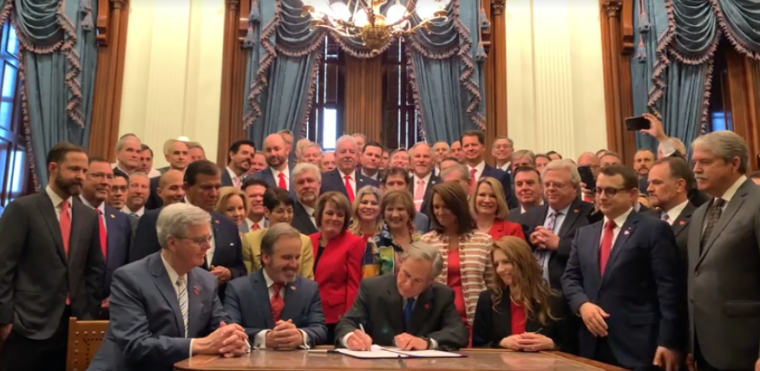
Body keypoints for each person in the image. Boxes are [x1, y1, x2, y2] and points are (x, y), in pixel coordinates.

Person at [86, 204, 249, 371]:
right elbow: (136, 345)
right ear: (172, 242)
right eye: (200, 240)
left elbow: (221, 325)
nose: (207, 246)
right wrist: (198, 345)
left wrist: (234, 339)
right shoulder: (130, 278)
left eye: (208, 239)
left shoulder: (206, 280)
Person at [561, 165, 681, 370]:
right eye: (599, 190)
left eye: (611, 191)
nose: (602, 197)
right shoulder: (585, 234)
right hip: (592, 343)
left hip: (638, 345)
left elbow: (668, 290)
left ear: (632, 194)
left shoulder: (653, 229)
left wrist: (668, 341)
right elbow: (570, 278)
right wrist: (582, 305)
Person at [0, 143, 103, 371]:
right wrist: (5, 319)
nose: (80, 176)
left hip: (73, 324)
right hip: (26, 324)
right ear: (53, 168)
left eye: (84, 171)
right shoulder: (23, 209)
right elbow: (3, 267)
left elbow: (95, 269)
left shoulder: (88, 216)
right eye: (74, 169)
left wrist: (88, 313)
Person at [687, 131, 760, 371]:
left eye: (705, 162)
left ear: (734, 163)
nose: (696, 169)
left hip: (745, 348)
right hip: (704, 349)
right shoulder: (700, 213)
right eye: (695, 162)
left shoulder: (756, 203)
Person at [130, 160, 246, 302]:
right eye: (206, 188)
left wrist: (229, 273)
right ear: (186, 187)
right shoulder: (157, 219)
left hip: (216, 307)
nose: (214, 193)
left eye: (217, 187)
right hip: (167, 305)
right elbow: (140, 270)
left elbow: (241, 269)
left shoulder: (228, 225)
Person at [336, 242, 469, 351]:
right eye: (406, 274)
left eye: (417, 281)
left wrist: (426, 342)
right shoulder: (372, 288)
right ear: (401, 262)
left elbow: (458, 332)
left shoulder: (442, 295)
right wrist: (350, 337)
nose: (407, 284)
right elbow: (347, 323)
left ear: (430, 280)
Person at [224, 224, 327, 349]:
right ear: (266, 257)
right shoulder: (238, 289)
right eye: (287, 257)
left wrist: (300, 335)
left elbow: (320, 329)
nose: (294, 264)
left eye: (297, 257)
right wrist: (264, 338)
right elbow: (229, 330)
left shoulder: (309, 289)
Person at [422, 181, 493, 341]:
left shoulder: (484, 241)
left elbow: (492, 285)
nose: (440, 212)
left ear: (458, 206)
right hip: (438, 323)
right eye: (436, 207)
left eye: (445, 206)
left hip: (477, 322)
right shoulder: (426, 241)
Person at [472, 237, 566, 351]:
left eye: (506, 262)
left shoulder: (553, 300)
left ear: (523, 262)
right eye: (497, 264)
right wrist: (501, 343)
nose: (500, 269)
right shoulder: (488, 299)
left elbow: (573, 346)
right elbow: (478, 347)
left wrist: (552, 344)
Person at [308, 192, 364, 343]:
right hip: (307, 315)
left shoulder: (354, 243)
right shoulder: (307, 240)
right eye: (329, 213)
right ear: (320, 215)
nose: (334, 218)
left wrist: (349, 321)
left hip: (336, 318)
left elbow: (354, 284)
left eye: (340, 215)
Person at [241, 187, 315, 278]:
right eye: (280, 211)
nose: (286, 216)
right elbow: (246, 277)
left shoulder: (304, 241)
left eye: (289, 211)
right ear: (267, 212)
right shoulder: (250, 240)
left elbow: (307, 279)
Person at [362, 189, 422, 277]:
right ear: (383, 213)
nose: (395, 215)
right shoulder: (375, 243)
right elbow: (369, 282)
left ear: (409, 212)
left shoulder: (421, 241)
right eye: (390, 209)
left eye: (400, 209)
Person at [319, 135, 378, 203]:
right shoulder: (323, 180)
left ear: (357, 156)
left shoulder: (370, 183)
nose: (347, 156)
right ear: (335, 156)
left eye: (352, 152)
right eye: (343, 152)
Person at [470, 177, 525, 241]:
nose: (487, 200)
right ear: (474, 198)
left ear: (499, 200)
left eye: (493, 196)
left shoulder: (512, 230)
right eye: (482, 195)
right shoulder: (462, 229)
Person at [382, 167, 430, 233]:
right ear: (384, 187)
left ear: (407, 186)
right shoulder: (375, 217)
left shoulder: (422, 219)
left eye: (400, 183)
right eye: (391, 184)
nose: (396, 187)